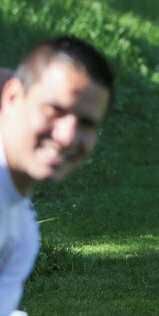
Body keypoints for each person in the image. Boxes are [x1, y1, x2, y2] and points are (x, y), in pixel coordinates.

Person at [0, 36, 114, 313]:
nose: (68, 136)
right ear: (13, 98)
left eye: (87, 123)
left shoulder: (23, 234)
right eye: (55, 110)